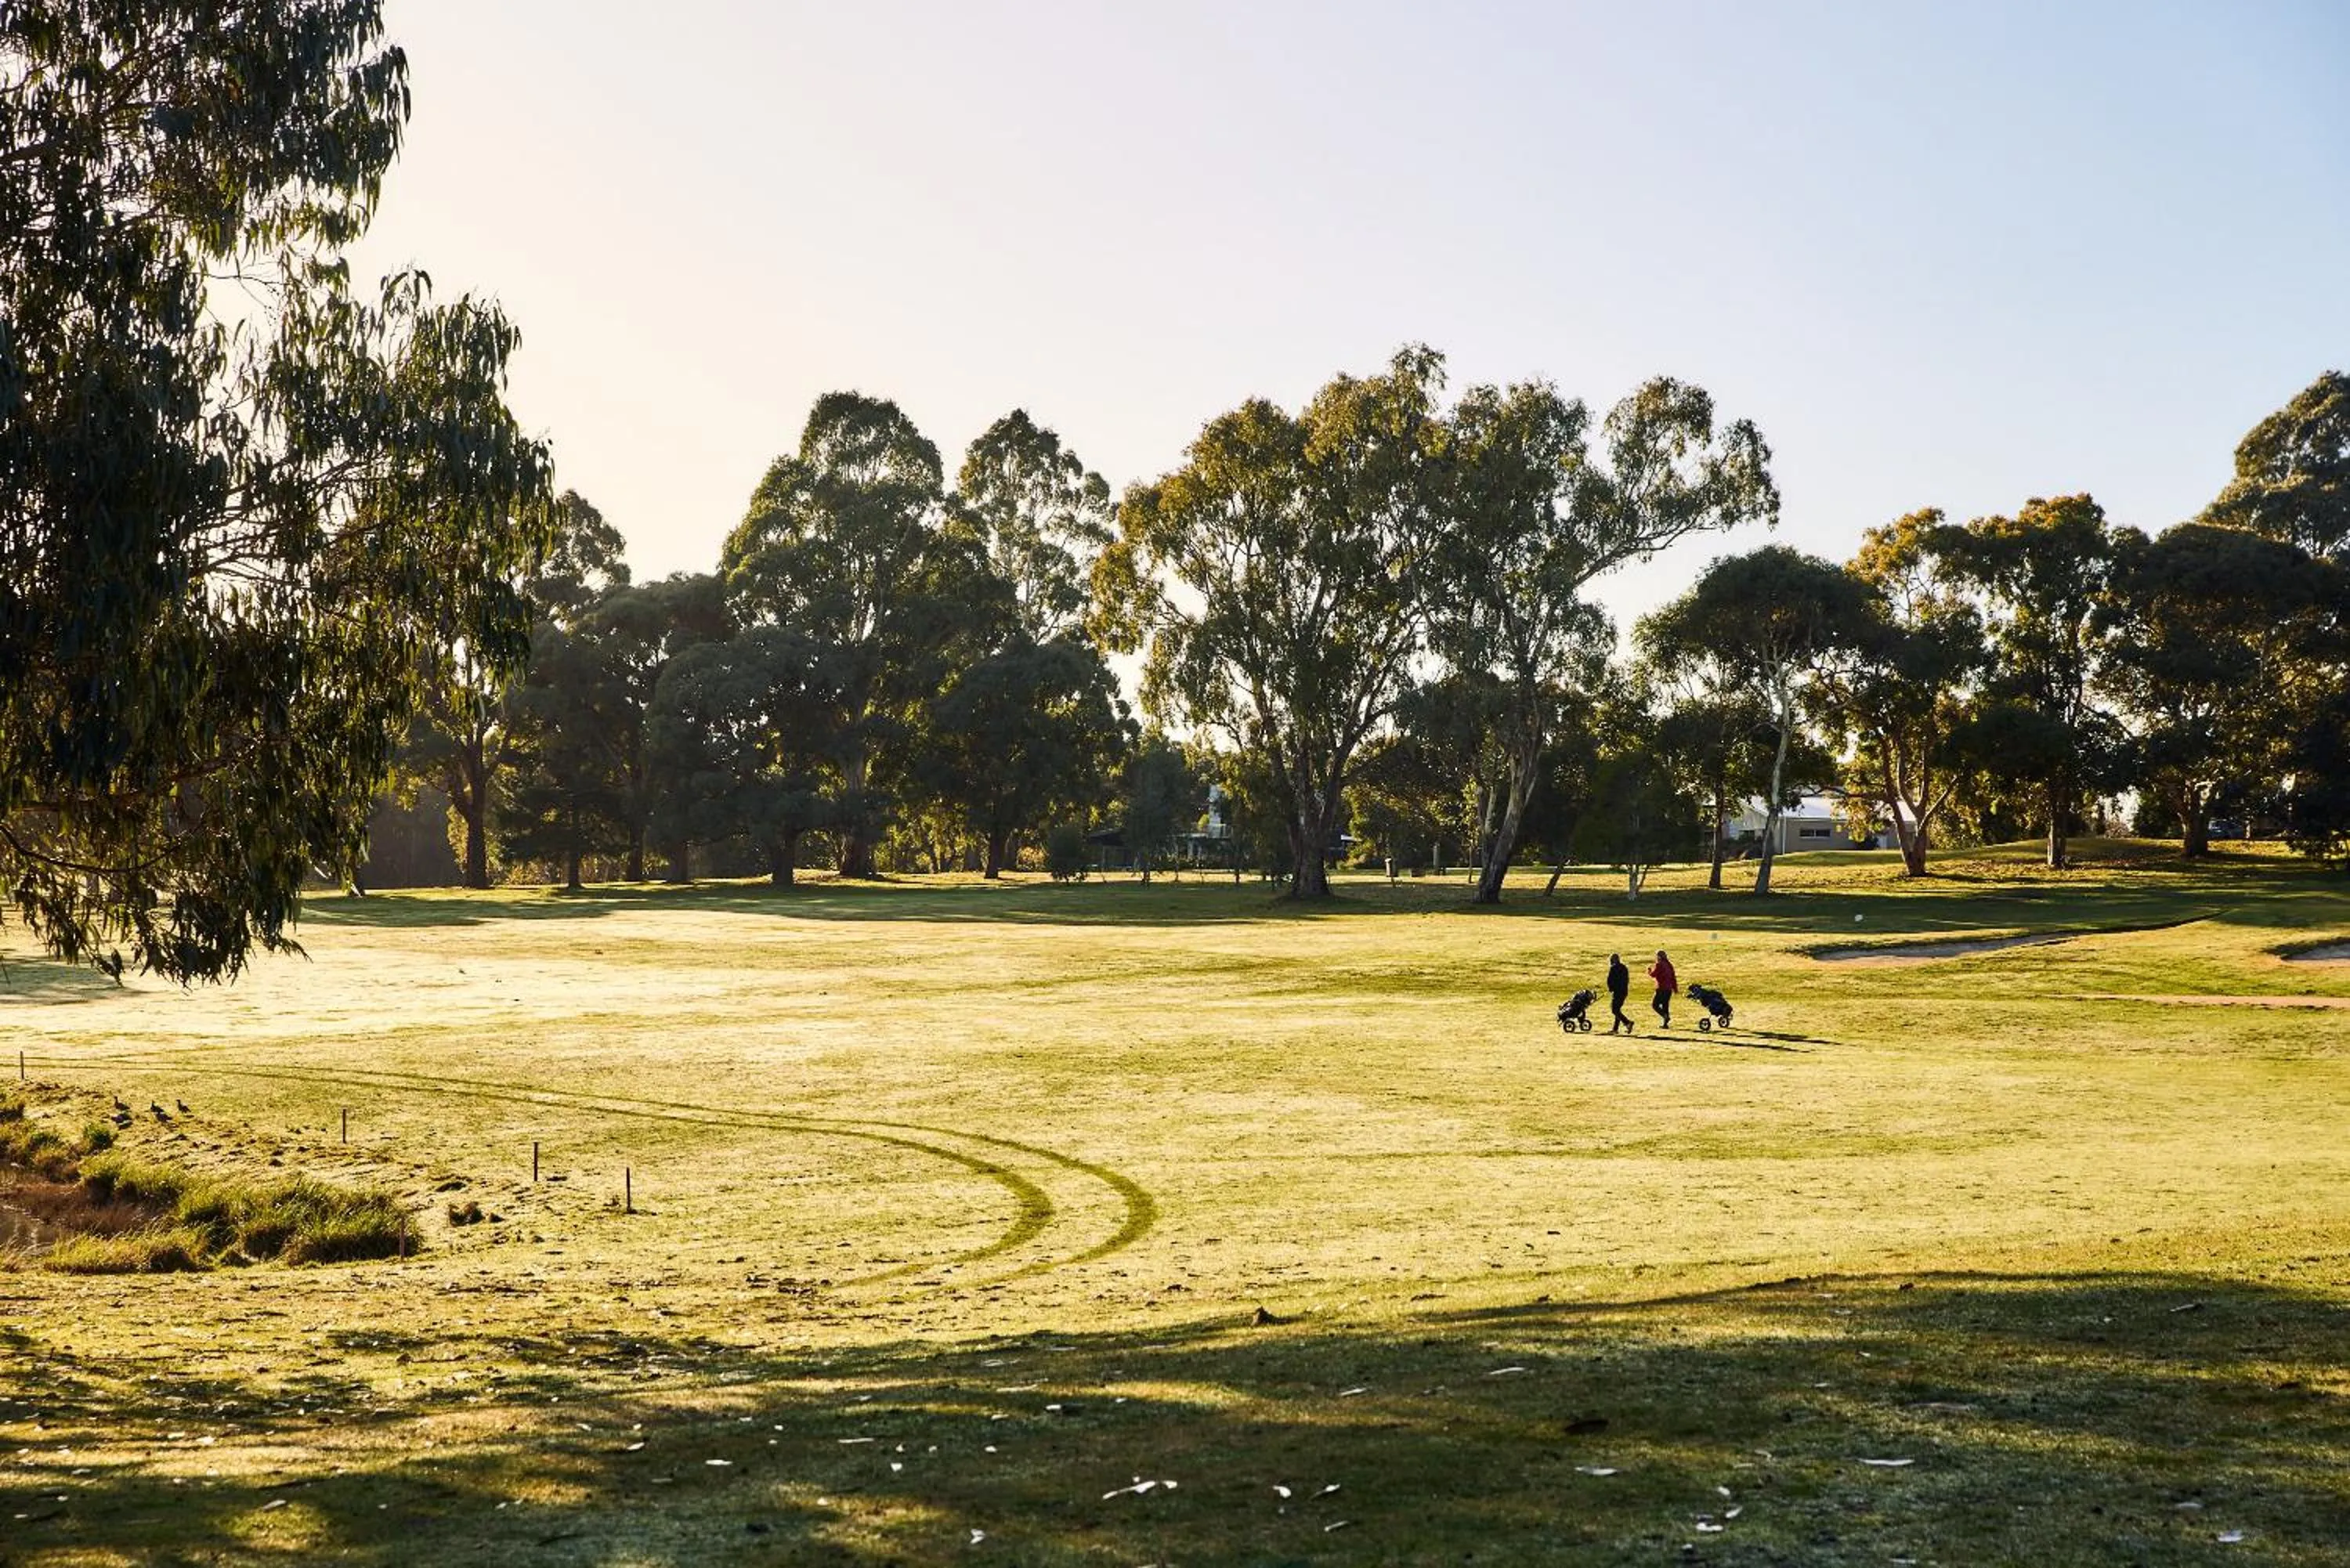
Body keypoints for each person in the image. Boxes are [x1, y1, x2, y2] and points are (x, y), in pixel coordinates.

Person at [1648, 948, 1678, 1027]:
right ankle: (1665, 1024)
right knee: (1665, 1006)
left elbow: (1653, 975)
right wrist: (1675, 988)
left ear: (1659, 957)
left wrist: (1649, 971)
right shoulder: (1669, 965)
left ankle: (1665, 1016)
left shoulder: (1659, 964)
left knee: (1655, 1005)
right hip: (1669, 989)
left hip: (1661, 988)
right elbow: (1673, 977)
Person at [1605, 952, 1633, 1034]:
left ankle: (1627, 1023)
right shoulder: (1624, 967)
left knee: (1614, 1009)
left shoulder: (1613, 968)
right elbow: (1626, 980)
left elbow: (1610, 980)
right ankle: (1615, 1029)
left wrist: (1611, 988)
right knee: (1617, 1010)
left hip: (1617, 992)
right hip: (1624, 991)